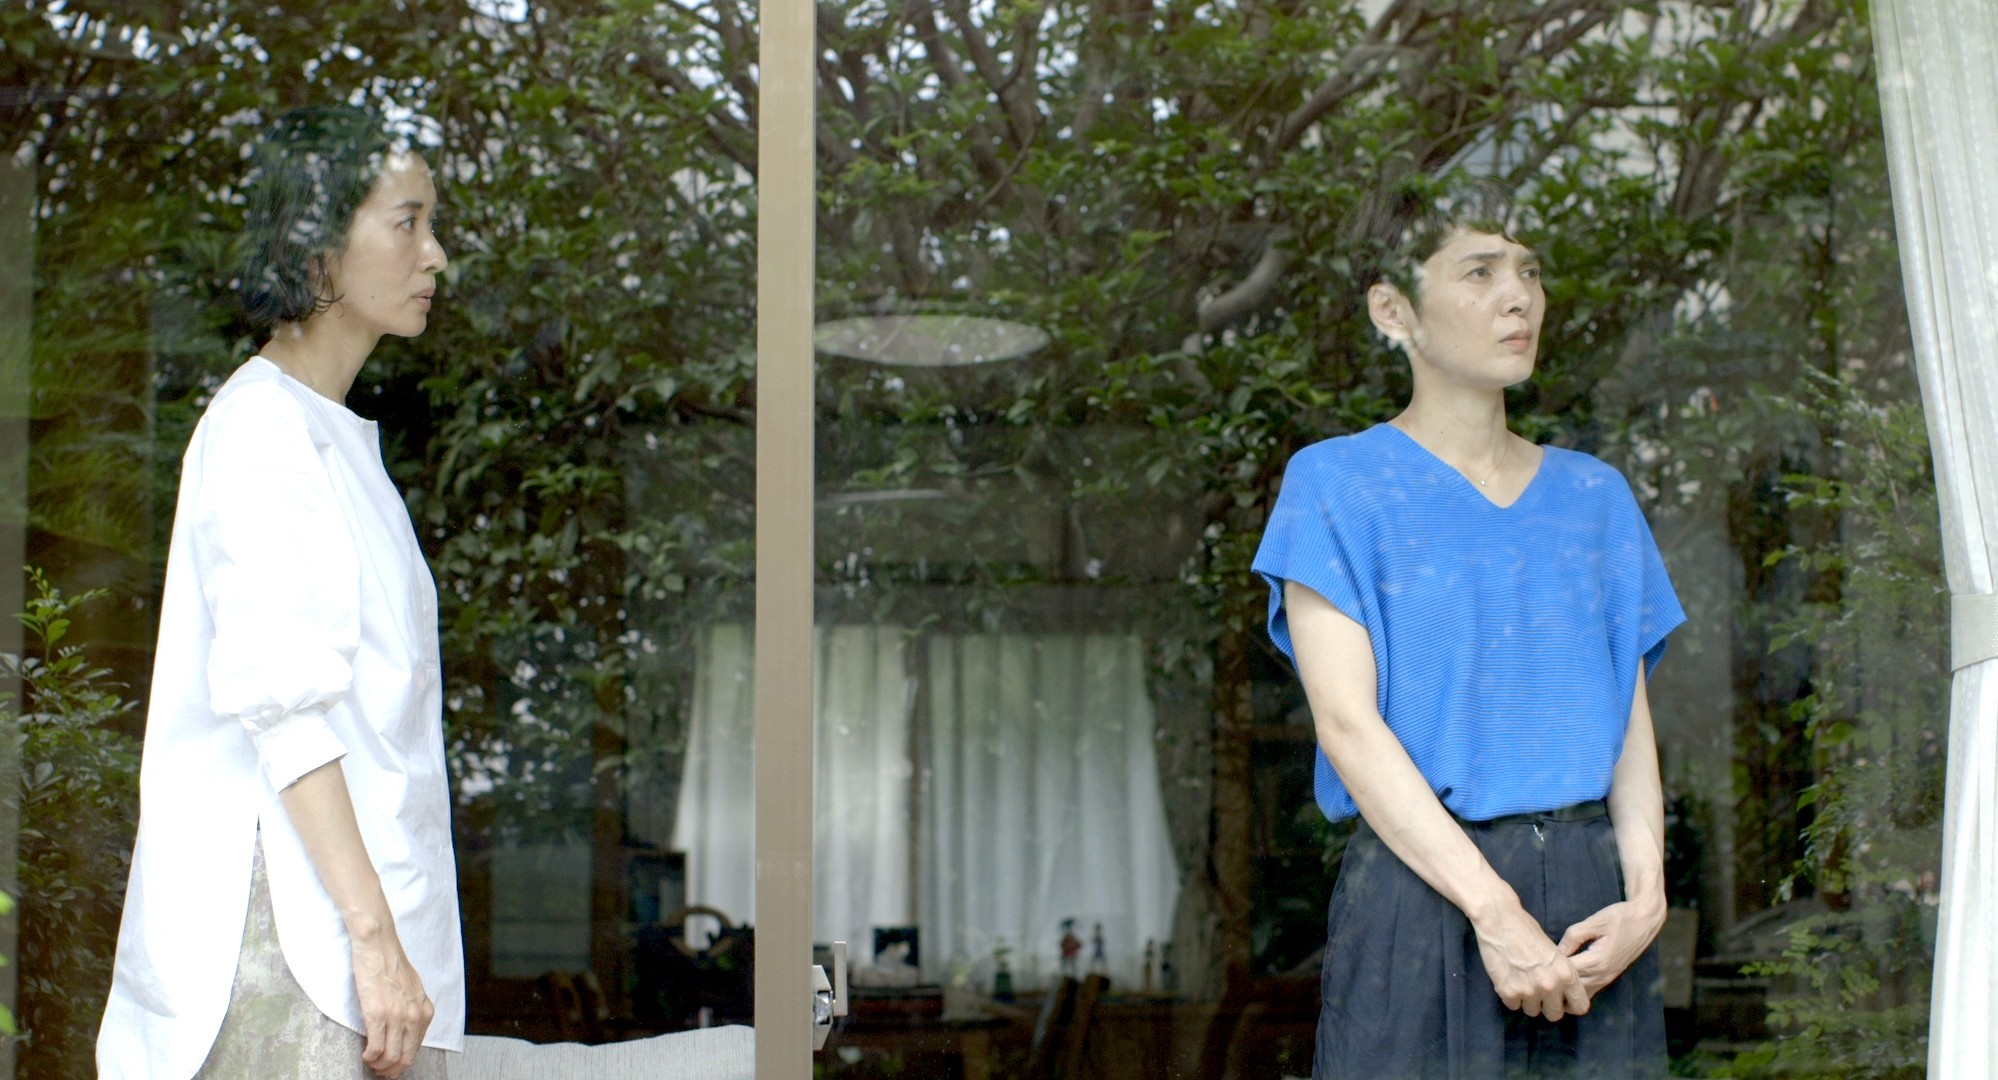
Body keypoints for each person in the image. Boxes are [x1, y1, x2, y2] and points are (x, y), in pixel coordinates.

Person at [1251, 179, 1686, 1079]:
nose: (1518, 297)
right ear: (1393, 311)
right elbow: (1348, 726)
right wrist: (1493, 911)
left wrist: (1647, 898)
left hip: (1593, 911)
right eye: (1479, 272)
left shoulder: (1595, 498)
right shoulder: (1337, 486)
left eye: (1528, 271)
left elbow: (1627, 722)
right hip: (1424, 897)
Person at [97, 105, 463, 1080]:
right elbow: (286, 708)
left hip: (354, 950)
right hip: (295, 948)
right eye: (408, 222)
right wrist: (374, 941)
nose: (434, 255)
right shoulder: (263, 430)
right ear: (318, 249)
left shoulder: (328, 436)